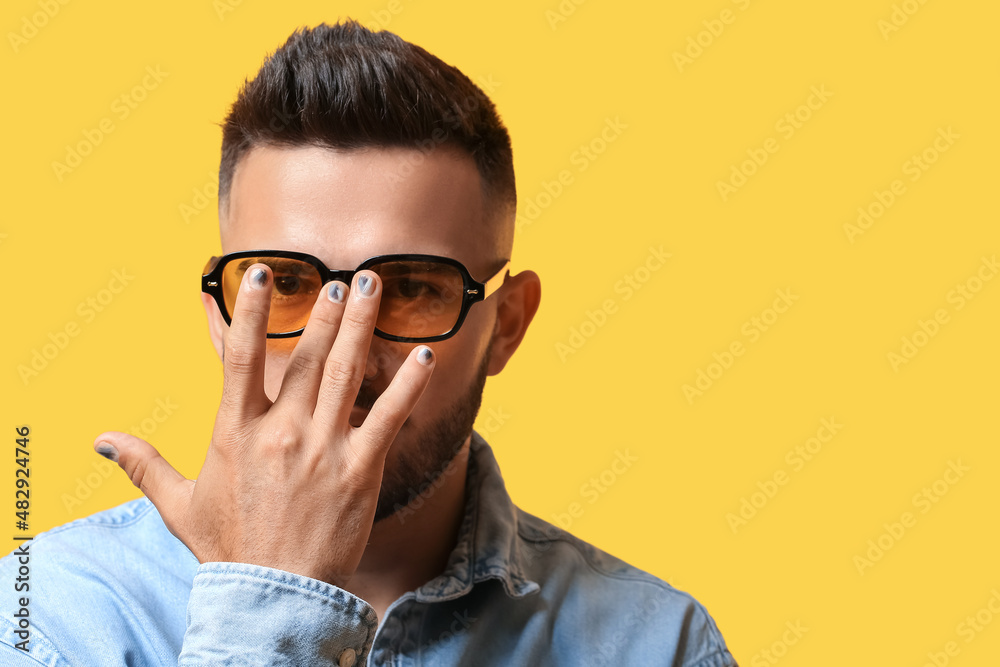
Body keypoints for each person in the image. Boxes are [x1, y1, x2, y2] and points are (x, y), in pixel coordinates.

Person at [0, 20, 737, 666]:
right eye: (287, 282)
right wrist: (268, 604)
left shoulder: (660, 644)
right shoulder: (49, 619)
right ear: (223, 314)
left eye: (413, 287)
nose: (344, 355)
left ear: (507, 323)